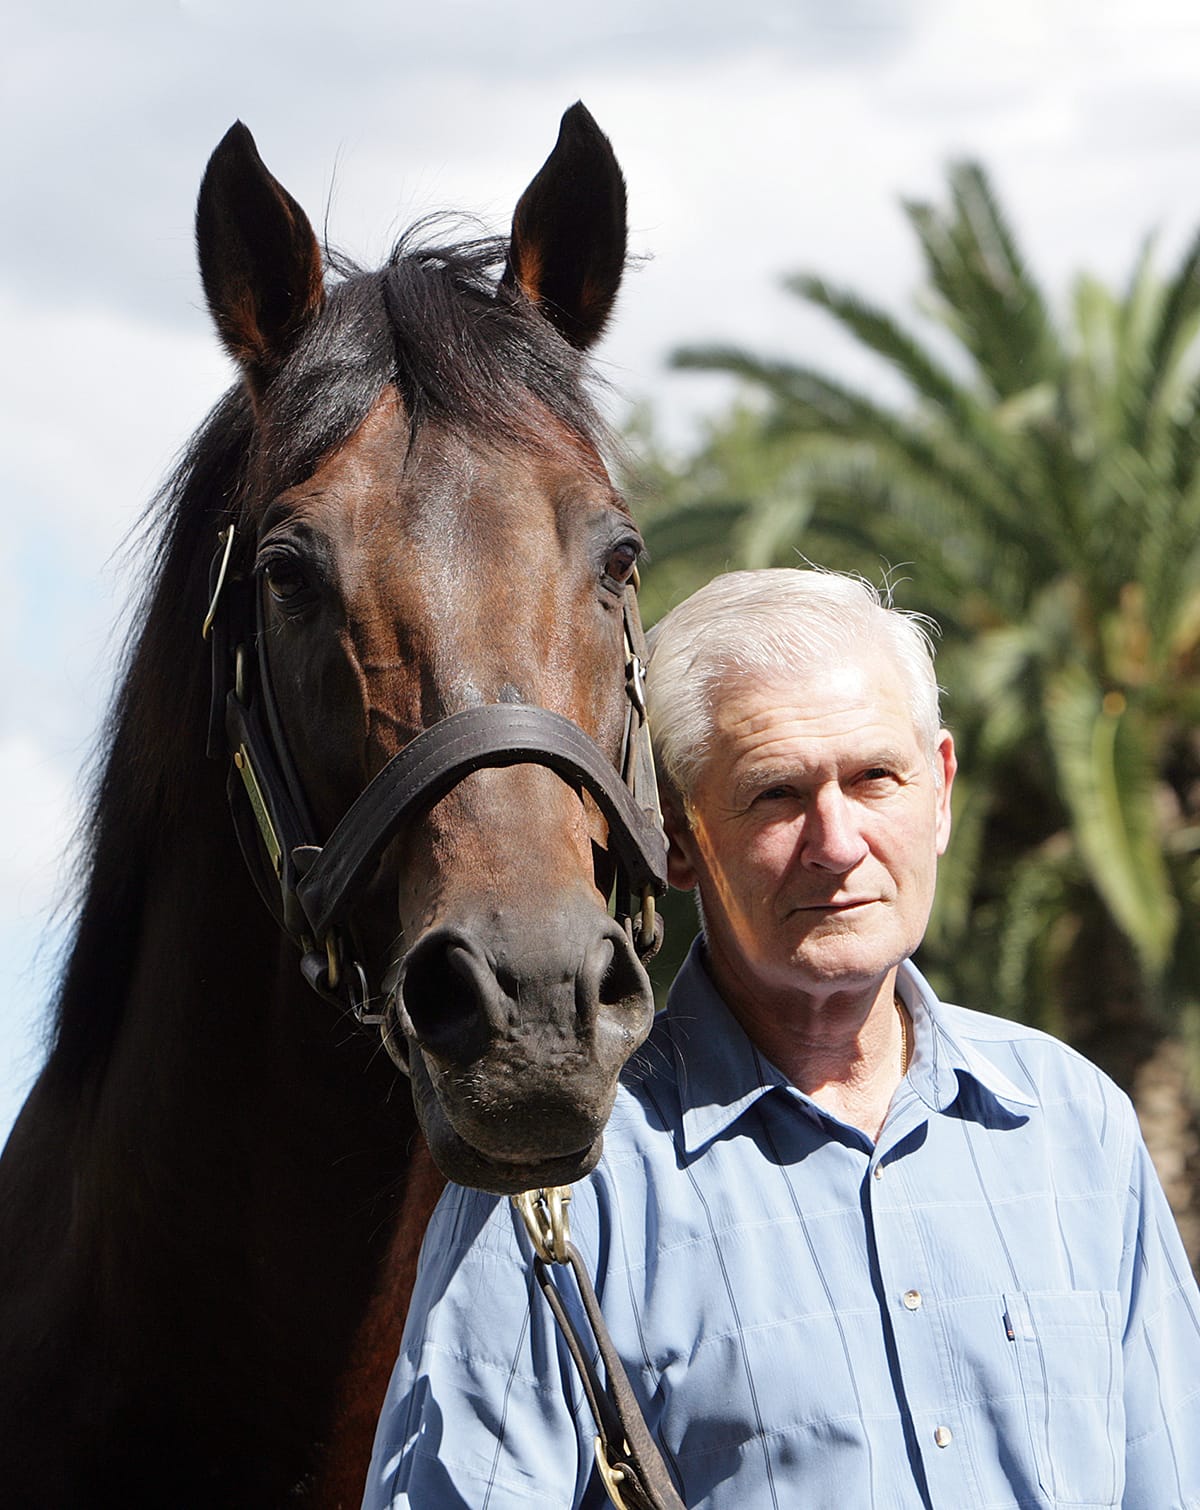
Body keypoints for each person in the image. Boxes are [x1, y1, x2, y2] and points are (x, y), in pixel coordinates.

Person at [363, 568, 1200, 1509]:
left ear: (942, 792)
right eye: (776, 795)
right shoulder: (564, 1188)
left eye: (877, 777)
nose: (837, 842)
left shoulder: (1074, 1128)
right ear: (674, 838)